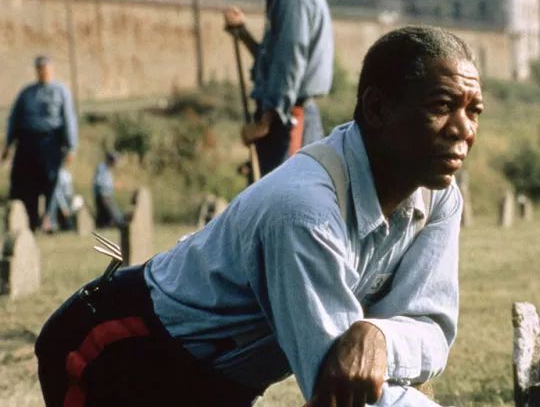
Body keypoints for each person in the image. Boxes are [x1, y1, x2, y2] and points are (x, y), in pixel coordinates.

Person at [35, 26, 482, 407]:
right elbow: (340, 383)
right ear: (378, 108)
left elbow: (431, 329)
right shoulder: (305, 211)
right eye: (442, 106)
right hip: (117, 352)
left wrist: (380, 337)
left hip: (222, 381)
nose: (463, 129)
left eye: (473, 110)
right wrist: (378, 343)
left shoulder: (438, 196)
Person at [224, 0, 333, 177]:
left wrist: (264, 122)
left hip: (288, 118)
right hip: (283, 116)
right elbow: (275, 60)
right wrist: (242, 33)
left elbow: (289, 64)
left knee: (286, 193)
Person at [2, 55, 78, 230]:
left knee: (50, 180)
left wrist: (71, 147)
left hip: (50, 142)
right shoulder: (27, 93)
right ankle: (29, 221)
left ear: (51, 70)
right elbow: (14, 118)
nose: (43, 72)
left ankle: (49, 219)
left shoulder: (61, 91)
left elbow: (69, 119)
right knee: (26, 183)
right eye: (39, 69)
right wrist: (8, 144)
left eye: (45, 69)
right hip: (27, 143)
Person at [93, 151, 124, 228]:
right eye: (115, 161)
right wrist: (113, 185)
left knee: (105, 217)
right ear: (111, 160)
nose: (116, 163)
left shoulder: (107, 169)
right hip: (103, 196)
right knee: (115, 215)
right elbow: (99, 182)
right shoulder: (102, 168)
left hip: (106, 195)